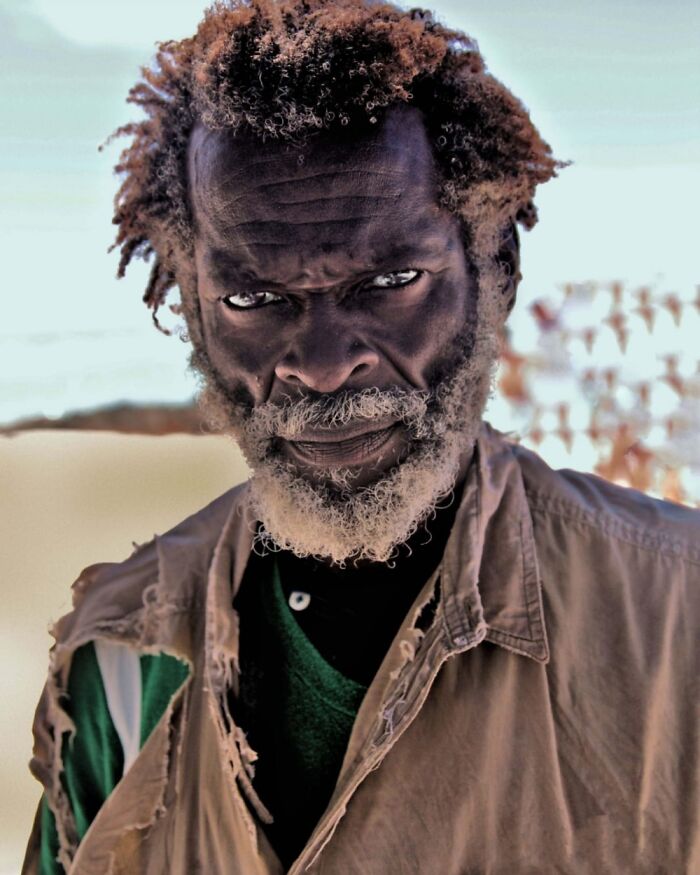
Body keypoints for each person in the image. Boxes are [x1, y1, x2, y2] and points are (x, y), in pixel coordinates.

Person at [23, 1, 699, 873]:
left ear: (495, 267)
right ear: (191, 309)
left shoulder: (676, 623)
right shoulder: (123, 661)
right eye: (254, 300)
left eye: (390, 281)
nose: (323, 364)